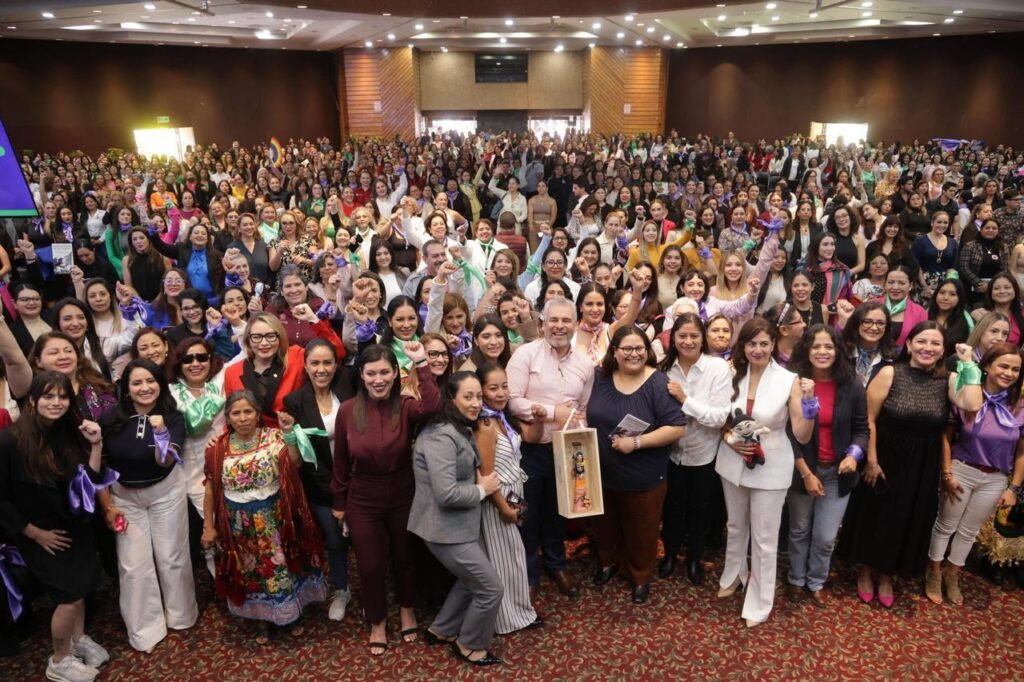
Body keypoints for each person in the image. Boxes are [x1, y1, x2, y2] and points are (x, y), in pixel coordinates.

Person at [839, 322, 983, 607]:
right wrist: (871, 460)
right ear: (909, 344)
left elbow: (972, 404)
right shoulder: (891, 372)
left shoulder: (949, 379)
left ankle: (887, 575)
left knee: (907, 519)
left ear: (943, 349)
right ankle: (866, 572)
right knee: (876, 516)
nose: (928, 348)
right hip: (884, 457)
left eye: (935, 343)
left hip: (923, 464)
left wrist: (969, 364)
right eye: (922, 341)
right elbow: (868, 419)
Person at [0, 373, 115, 682]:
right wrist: (32, 533)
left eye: (63, 396)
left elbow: (88, 481)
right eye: (48, 396)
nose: (57, 402)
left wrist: (96, 444)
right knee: (69, 597)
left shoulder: (69, 432)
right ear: (32, 400)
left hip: (73, 526)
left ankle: (78, 640)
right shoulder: (10, 440)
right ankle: (59, 660)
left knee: (82, 588)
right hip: (38, 533)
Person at [331, 342, 440, 654]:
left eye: (384, 372)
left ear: (395, 374)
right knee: (370, 565)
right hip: (362, 497)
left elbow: (433, 407)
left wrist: (421, 363)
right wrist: (339, 502)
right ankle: (377, 620)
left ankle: (407, 609)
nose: (378, 379)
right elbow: (341, 461)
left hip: (403, 492)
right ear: (361, 376)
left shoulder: (405, 405)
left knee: (405, 557)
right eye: (371, 373)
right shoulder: (348, 409)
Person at [201, 390, 326, 641]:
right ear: (228, 417)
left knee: (281, 567)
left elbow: (295, 463)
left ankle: (291, 615)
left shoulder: (274, 437)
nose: (243, 418)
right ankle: (262, 619)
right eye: (236, 413)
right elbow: (211, 489)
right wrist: (208, 526)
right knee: (251, 571)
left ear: (258, 414)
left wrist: (289, 433)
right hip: (238, 524)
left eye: (248, 411)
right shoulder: (218, 448)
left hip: (274, 517)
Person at [716, 317, 814, 628]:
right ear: (743, 346)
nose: (757, 349)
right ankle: (733, 575)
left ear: (774, 344)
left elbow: (802, 435)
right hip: (732, 461)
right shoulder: (731, 373)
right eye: (751, 343)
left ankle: (759, 601)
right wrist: (729, 439)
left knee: (764, 538)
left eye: (763, 343)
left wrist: (810, 405)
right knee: (735, 525)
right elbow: (720, 419)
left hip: (771, 466)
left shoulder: (789, 380)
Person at [96, 359, 197, 652]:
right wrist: (107, 507)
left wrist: (161, 433)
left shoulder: (173, 417)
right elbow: (99, 467)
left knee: (172, 557)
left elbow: (165, 461)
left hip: (166, 491)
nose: (145, 388)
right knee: (133, 566)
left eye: (151, 381)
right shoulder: (110, 419)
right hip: (125, 497)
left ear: (160, 384)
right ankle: (145, 630)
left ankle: (181, 616)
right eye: (137, 382)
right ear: (126, 389)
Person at [587, 328, 686, 603]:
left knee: (642, 530)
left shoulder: (658, 382)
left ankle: (640, 575)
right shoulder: (600, 377)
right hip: (601, 471)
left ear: (647, 350)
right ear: (614, 351)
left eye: (639, 348)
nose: (634, 354)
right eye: (627, 349)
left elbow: (677, 428)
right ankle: (608, 562)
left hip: (643, 476)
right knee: (605, 525)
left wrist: (637, 442)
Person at [411, 371, 504, 666]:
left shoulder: (458, 426)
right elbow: (446, 494)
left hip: (461, 525)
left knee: (469, 580)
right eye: (468, 397)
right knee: (490, 588)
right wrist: (483, 489)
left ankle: (441, 629)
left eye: (479, 396)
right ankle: (470, 645)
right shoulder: (440, 435)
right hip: (443, 529)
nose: (476, 403)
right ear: (451, 398)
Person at [507, 298, 595, 599]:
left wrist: (576, 426)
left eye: (566, 320)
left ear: (575, 324)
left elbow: (583, 409)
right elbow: (512, 401)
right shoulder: (525, 355)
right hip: (530, 449)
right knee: (528, 513)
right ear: (542, 323)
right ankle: (528, 573)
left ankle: (557, 564)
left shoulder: (585, 364)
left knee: (559, 511)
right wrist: (551, 412)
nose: (559, 326)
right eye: (553, 320)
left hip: (566, 451)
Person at [926, 343, 1024, 605]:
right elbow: (945, 437)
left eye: (1015, 369)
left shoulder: (1020, 405)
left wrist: (1013, 488)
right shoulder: (968, 394)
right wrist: (947, 472)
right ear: (988, 366)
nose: (1009, 373)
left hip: (995, 478)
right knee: (945, 525)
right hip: (962, 470)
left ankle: (952, 575)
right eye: (1004, 366)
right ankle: (933, 572)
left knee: (969, 531)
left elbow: (1021, 452)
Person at [785, 325, 869, 607]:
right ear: (806, 350)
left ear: (838, 350)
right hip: (802, 469)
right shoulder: (794, 383)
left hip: (837, 472)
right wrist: (806, 473)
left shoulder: (852, 385)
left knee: (825, 536)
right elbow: (788, 434)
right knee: (799, 530)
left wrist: (853, 455)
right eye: (816, 346)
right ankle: (796, 579)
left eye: (829, 346)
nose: (822, 352)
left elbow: (862, 429)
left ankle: (816, 580)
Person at [282, 338, 356, 622]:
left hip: (358, 479)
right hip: (321, 484)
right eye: (315, 363)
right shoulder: (295, 402)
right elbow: (298, 459)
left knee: (365, 540)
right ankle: (341, 590)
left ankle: (373, 590)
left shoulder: (348, 386)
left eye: (327, 362)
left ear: (336, 365)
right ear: (305, 365)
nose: (321, 369)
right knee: (335, 541)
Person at [658, 313, 732, 584]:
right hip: (671, 453)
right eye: (682, 336)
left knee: (701, 509)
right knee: (672, 508)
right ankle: (669, 554)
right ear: (673, 338)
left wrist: (684, 399)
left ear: (703, 338)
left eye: (694, 336)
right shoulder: (664, 369)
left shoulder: (717, 368)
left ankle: (694, 559)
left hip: (704, 454)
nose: (688, 341)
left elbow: (719, 418)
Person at [473, 363, 544, 633]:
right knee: (501, 560)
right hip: (498, 500)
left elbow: (532, 437)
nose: (501, 393)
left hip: (515, 493)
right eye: (493, 388)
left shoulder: (504, 417)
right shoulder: (485, 425)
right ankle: (505, 620)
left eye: (504, 386)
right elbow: (486, 474)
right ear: (481, 391)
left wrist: (538, 420)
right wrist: (503, 508)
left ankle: (520, 611)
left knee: (515, 556)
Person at [223, 311, 344, 428]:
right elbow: (231, 415)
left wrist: (314, 320)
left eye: (270, 336)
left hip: (292, 435)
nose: (264, 343)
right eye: (256, 337)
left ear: (280, 337)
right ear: (248, 340)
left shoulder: (296, 357)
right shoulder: (232, 372)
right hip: (252, 438)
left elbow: (336, 352)